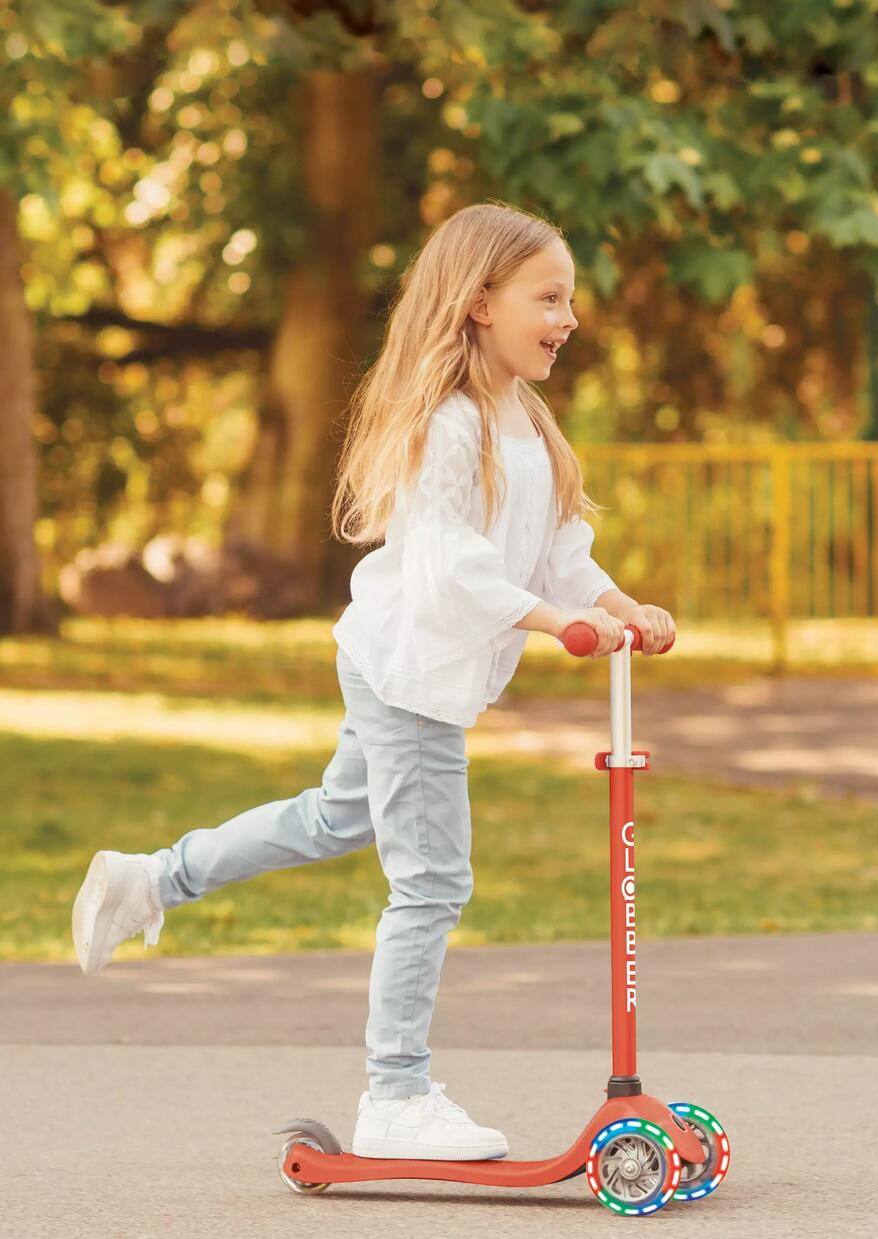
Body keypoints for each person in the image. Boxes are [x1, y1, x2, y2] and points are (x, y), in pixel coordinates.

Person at [72, 201, 675, 1162]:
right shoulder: (445, 424)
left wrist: (619, 605)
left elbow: (563, 549)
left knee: (332, 817)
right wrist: (557, 620)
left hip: (409, 665)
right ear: (480, 302)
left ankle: (151, 878)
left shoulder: (529, 422)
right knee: (432, 879)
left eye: (569, 299)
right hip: (409, 671)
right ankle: (394, 1092)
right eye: (547, 297)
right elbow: (451, 563)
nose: (568, 318)